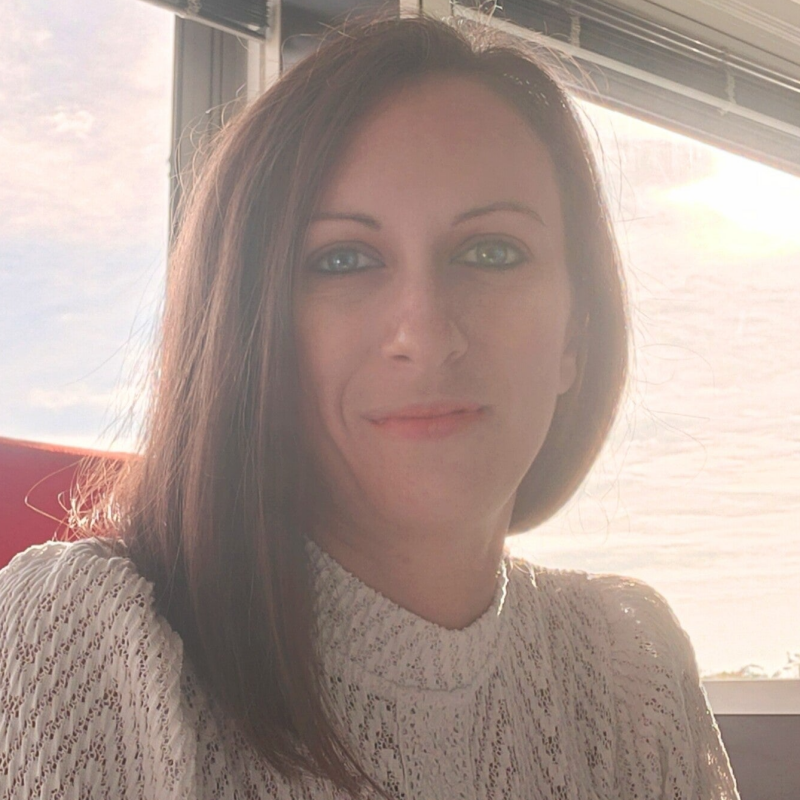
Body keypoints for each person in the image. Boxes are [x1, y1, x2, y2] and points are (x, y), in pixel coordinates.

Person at [0, 13, 739, 800]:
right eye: (343, 259)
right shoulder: (79, 641)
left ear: (576, 336)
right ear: (248, 330)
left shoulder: (633, 667)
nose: (425, 334)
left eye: (492, 252)